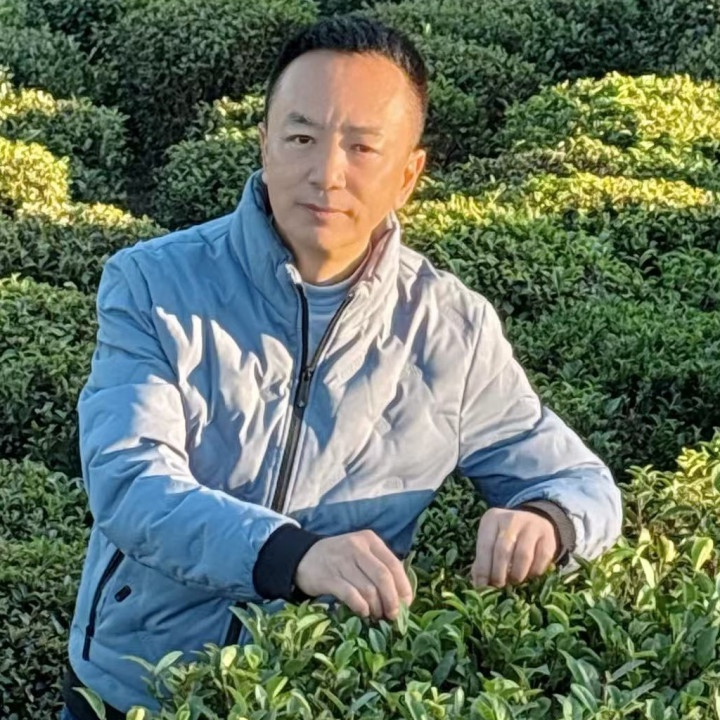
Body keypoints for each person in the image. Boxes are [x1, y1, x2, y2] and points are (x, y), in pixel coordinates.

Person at [59, 14, 623, 719]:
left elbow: (579, 482)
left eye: (362, 146)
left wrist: (547, 520)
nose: (326, 172)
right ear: (264, 144)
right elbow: (129, 480)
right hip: (138, 686)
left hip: (316, 693)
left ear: (408, 174)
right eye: (301, 137)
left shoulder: (452, 329)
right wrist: (292, 555)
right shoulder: (153, 284)